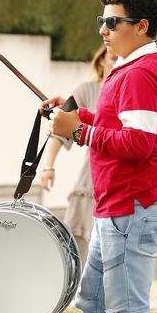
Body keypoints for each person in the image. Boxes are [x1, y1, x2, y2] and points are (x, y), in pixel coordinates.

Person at [42, 0, 157, 313]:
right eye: (102, 21)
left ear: (141, 26)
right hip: (117, 209)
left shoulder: (138, 73)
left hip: (133, 208)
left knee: (127, 311)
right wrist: (73, 112)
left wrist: (79, 131)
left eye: (112, 21)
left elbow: (137, 143)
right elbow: (112, 123)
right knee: (96, 303)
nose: (103, 29)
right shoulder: (127, 67)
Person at [39, 44, 117, 267]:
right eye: (112, 59)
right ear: (101, 60)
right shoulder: (86, 90)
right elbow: (61, 132)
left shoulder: (127, 90)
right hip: (90, 179)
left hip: (118, 181)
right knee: (74, 248)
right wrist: (48, 167)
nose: (115, 65)